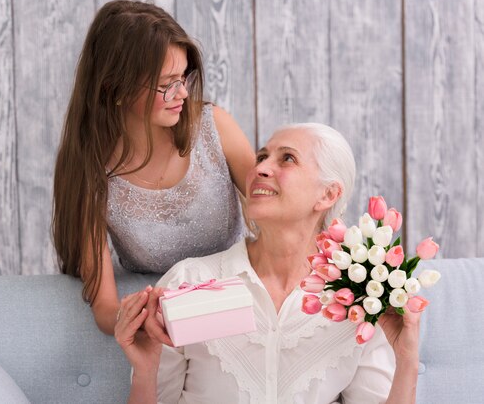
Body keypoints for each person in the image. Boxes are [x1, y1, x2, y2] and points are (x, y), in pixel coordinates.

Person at [115, 123, 420, 403]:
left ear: (328, 194)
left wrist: (406, 358)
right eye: (262, 157)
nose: (260, 168)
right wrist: (145, 368)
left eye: (287, 159)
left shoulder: (360, 298)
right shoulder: (191, 280)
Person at [52, 0, 255, 335]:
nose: (182, 94)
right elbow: (105, 310)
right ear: (113, 87)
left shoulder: (214, 127)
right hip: (170, 327)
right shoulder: (90, 171)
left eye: (184, 78)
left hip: (241, 305)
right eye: (166, 84)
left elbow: (280, 214)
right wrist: (154, 324)